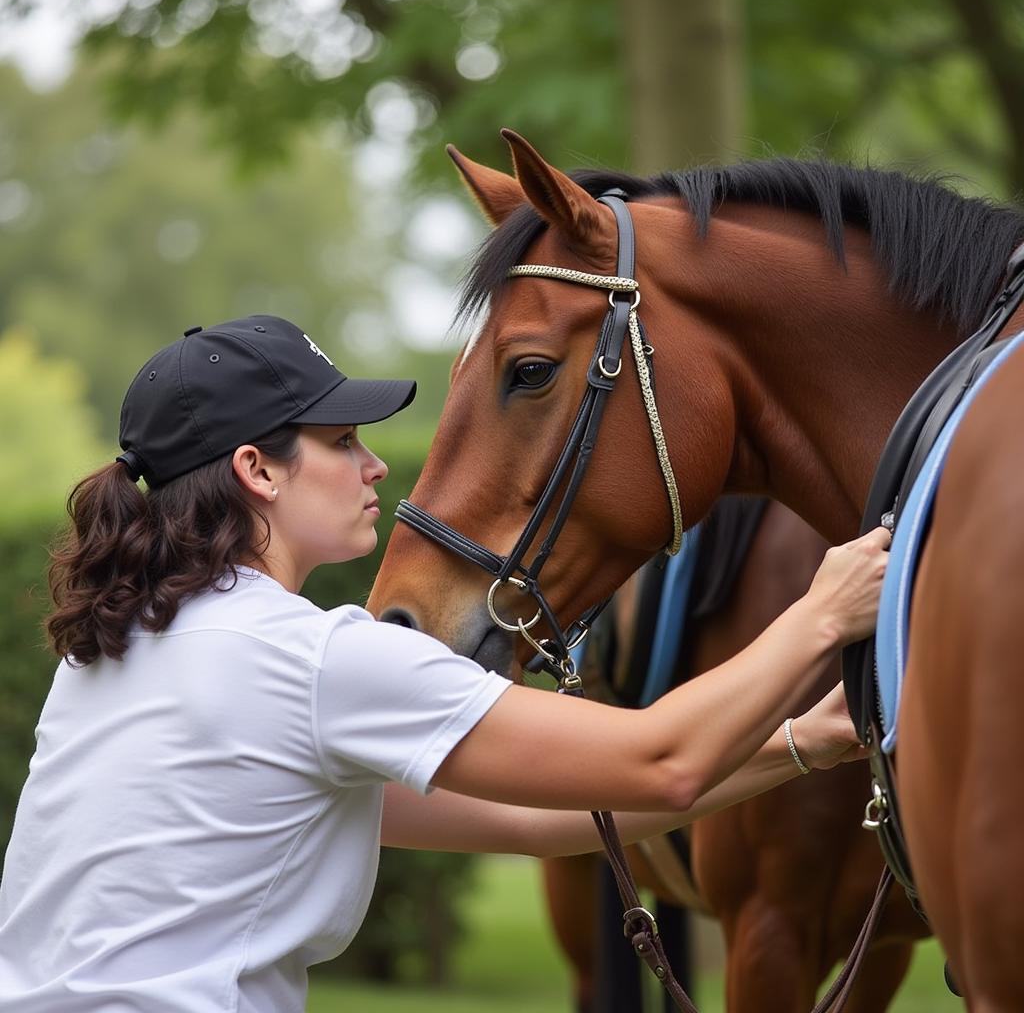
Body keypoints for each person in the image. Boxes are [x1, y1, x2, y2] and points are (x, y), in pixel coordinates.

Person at [0, 315, 890, 1013]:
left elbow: (533, 820)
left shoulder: (118, 655)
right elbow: (659, 759)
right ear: (255, 470)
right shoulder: (316, 662)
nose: (376, 465)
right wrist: (821, 614)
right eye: (342, 442)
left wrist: (801, 744)